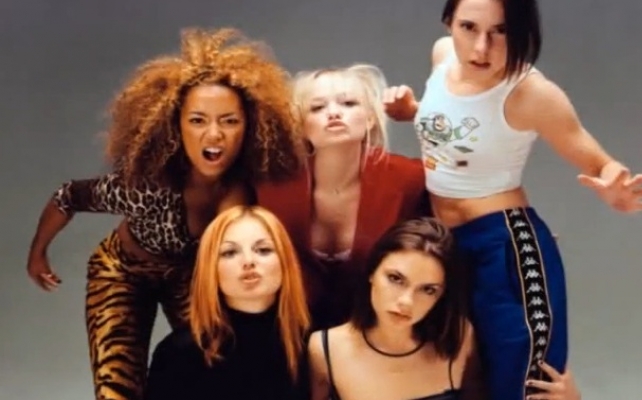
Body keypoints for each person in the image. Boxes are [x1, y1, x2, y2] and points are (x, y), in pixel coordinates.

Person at [382, 0, 642, 398]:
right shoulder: (443, 55)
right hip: (442, 243)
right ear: (449, 23)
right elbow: (458, 125)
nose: (481, 48)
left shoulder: (530, 93)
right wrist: (411, 111)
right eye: (469, 27)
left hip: (504, 248)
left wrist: (614, 187)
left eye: (500, 31)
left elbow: (598, 160)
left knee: (525, 379)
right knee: (447, 372)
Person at [25, 28, 303, 400]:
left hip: (187, 275)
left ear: (250, 126)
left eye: (229, 121)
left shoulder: (241, 192)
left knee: (214, 360)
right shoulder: (144, 185)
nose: (214, 135)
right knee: (117, 387)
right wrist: (38, 253)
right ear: (175, 126)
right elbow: (68, 196)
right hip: (123, 272)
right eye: (198, 120)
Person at [308, 217, 582, 400]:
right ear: (372, 272)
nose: (406, 301)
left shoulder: (457, 339)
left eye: (428, 290)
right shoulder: (325, 349)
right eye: (395, 279)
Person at [256, 64, 429, 330]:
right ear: (301, 126)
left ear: (370, 118)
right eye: (317, 108)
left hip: (381, 330)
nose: (334, 113)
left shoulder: (409, 179)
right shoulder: (272, 185)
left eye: (348, 103)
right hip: (288, 329)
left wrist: (421, 113)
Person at [145, 205, 311, 400]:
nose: (248, 261)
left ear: (285, 261)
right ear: (211, 268)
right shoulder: (178, 353)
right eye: (230, 252)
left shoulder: (314, 343)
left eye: (263, 250)